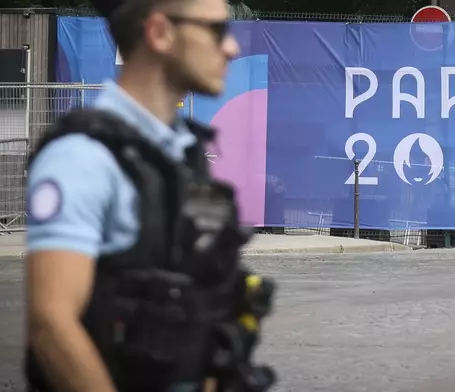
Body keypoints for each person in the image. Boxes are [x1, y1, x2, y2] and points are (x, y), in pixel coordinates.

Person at [23, 0, 275, 391]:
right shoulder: (82, 157)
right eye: (216, 31)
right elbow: (51, 324)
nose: (230, 49)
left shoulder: (182, 154)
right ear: (159, 32)